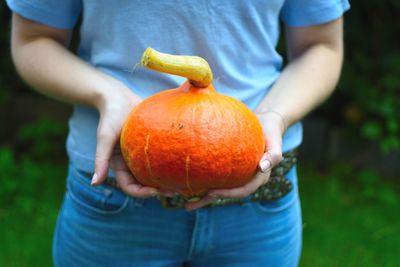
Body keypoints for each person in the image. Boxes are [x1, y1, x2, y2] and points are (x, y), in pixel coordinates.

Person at [7, 1, 350, 266]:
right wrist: (107, 94)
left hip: (259, 190)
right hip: (114, 191)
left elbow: (321, 45)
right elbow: (34, 39)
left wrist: (273, 117)